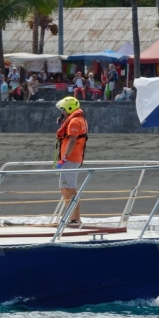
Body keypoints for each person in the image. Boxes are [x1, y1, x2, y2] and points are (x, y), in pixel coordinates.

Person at [55, 96, 88, 224]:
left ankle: (76, 218)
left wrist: (64, 158)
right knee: (64, 188)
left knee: (71, 189)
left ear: (70, 108)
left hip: (70, 159)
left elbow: (72, 140)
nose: (62, 112)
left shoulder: (74, 122)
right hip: (71, 159)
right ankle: (71, 216)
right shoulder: (78, 119)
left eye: (63, 109)